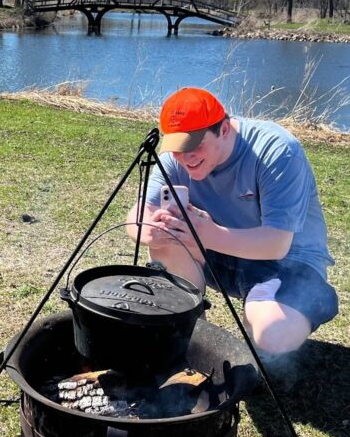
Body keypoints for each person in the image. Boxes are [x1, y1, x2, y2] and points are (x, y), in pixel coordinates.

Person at [127, 87, 337, 358]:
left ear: (224, 129)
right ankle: (188, 335)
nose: (186, 157)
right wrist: (149, 232)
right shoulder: (175, 156)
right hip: (218, 254)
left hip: (287, 264)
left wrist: (205, 234)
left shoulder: (277, 151)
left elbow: (277, 244)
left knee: (273, 336)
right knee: (168, 241)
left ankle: (279, 315)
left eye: (195, 145)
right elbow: (137, 215)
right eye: (178, 147)